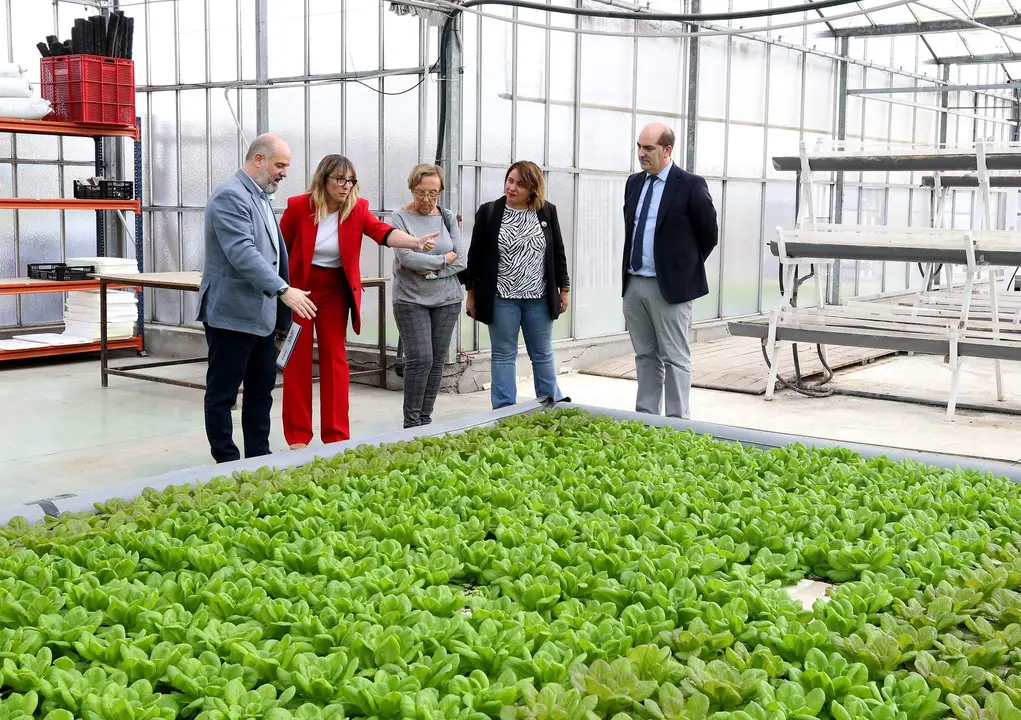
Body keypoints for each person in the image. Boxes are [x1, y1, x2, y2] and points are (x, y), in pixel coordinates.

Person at [279, 154, 437, 449]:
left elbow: (382, 233)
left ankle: (336, 435)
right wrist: (281, 290)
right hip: (301, 291)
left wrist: (415, 242)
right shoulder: (299, 207)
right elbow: (279, 248)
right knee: (297, 360)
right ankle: (298, 437)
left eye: (351, 181)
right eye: (340, 180)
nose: (346, 186)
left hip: (335, 291)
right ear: (324, 179)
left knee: (335, 360)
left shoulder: (358, 209)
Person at [197, 133, 317, 464]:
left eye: (286, 166)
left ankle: (258, 458)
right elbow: (242, 252)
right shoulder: (230, 197)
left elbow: (274, 253)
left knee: (260, 391)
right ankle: (226, 461)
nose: (284, 173)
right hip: (232, 314)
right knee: (223, 393)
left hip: (261, 316)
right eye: (280, 165)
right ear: (259, 160)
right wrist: (282, 290)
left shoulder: (261, 198)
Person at [622, 122, 718, 420]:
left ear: (667, 150)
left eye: (648, 148)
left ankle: (677, 423)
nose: (641, 153)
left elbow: (709, 234)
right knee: (645, 355)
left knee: (674, 357)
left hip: (669, 288)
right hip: (634, 284)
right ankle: (646, 417)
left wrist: (681, 268)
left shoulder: (690, 184)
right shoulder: (634, 183)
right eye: (639, 146)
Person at [465, 160, 570, 409]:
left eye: (520, 184)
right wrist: (471, 295)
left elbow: (558, 253)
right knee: (503, 355)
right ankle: (504, 410)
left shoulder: (546, 211)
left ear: (533, 189)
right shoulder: (489, 212)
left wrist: (563, 290)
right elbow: (474, 258)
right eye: (510, 181)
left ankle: (550, 406)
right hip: (501, 298)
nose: (511, 188)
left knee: (542, 354)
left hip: (539, 299)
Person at [391, 164, 467, 428]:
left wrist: (431, 269)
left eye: (432, 193)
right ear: (412, 189)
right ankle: (411, 423)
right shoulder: (399, 217)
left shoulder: (447, 216)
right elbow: (407, 257)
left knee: (436, 360)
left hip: (447, 299)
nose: (426, 200)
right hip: (410, 299)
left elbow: (461, 260)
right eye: (420, 193)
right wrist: (443, 261)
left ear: (440, 191)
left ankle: (425, 419)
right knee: (420, 358)